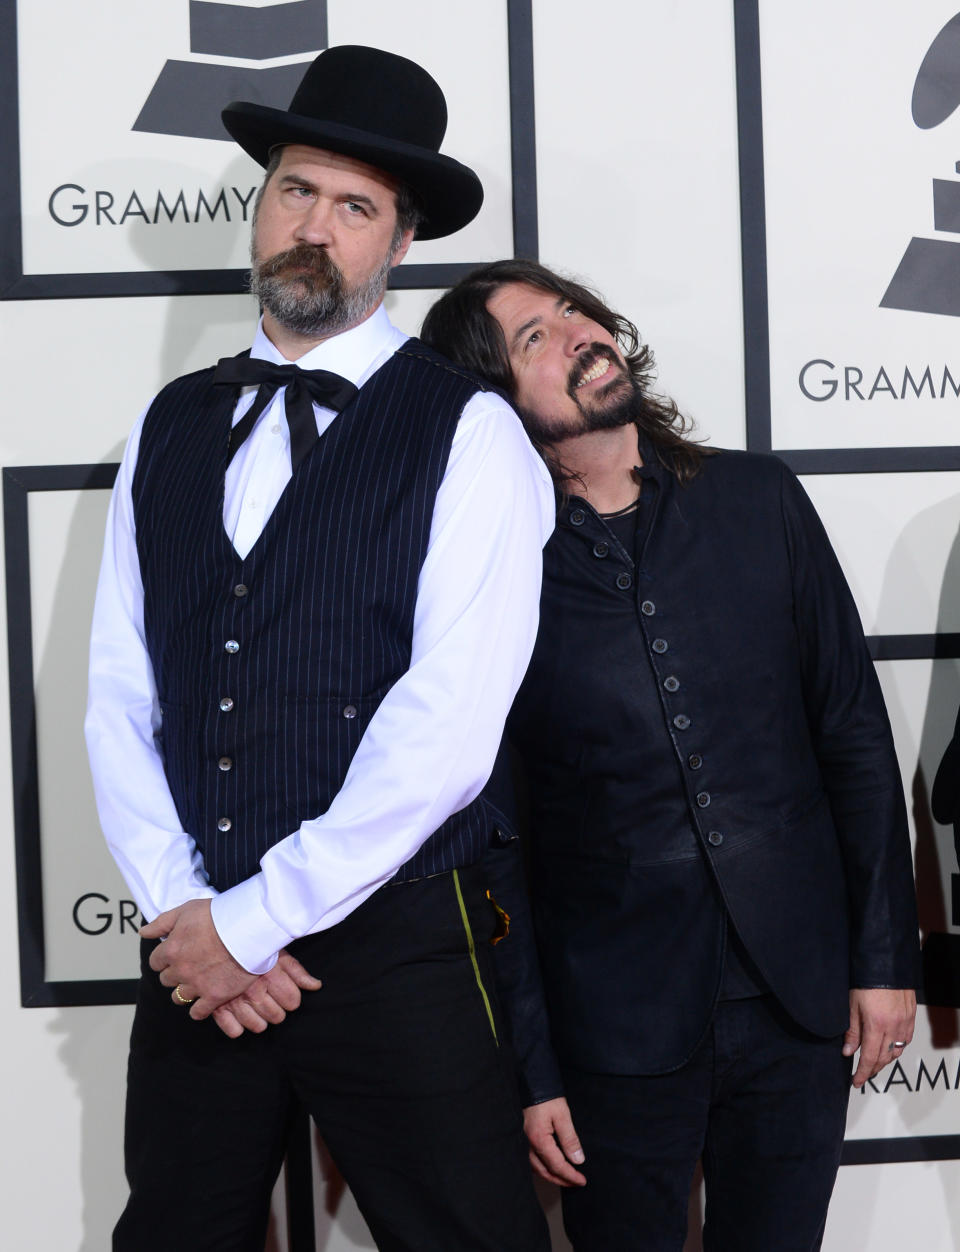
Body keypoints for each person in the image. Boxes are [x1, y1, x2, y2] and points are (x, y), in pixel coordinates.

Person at [84, 50, 555, 1252]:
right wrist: (188, 909)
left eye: (356, 208)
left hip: (397, 945)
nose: (316, 227)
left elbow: (447, 727)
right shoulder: (172, 421)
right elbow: (121, 690)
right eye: (297, 190)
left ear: (398, 246)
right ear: (259, 203)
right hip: (195, 944)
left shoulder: (473, 432)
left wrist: (255, 926)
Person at [421, 257, 921, 1252]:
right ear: (494, 401)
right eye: (534, 338)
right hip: (613, 1026)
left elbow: (854, 740)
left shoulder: (758, 499)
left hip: (796, 996)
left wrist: (882, 957)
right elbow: (494, 836)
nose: (577, 334)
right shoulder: (490, 572)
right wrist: (535, 1066)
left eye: (573, 311)